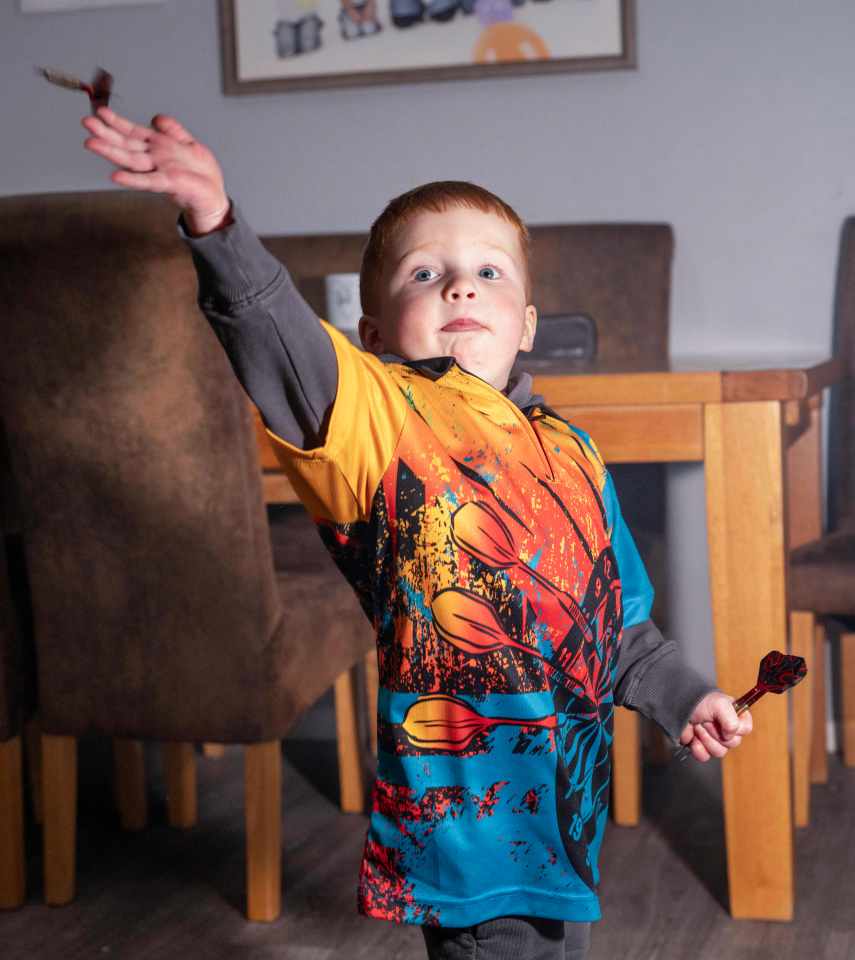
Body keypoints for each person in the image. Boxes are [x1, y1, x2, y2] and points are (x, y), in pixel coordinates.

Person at [82, 107, 753, 960]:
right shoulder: (376, 420)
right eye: (424, 274)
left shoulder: (573, 453)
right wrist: (215, 222)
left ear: (529, 324)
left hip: (561, 818)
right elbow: (276, 339)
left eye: (486, 271)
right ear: (372, 335)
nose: (460, 288)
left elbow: (615, 628)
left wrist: (683, 696)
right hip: (466, 825)